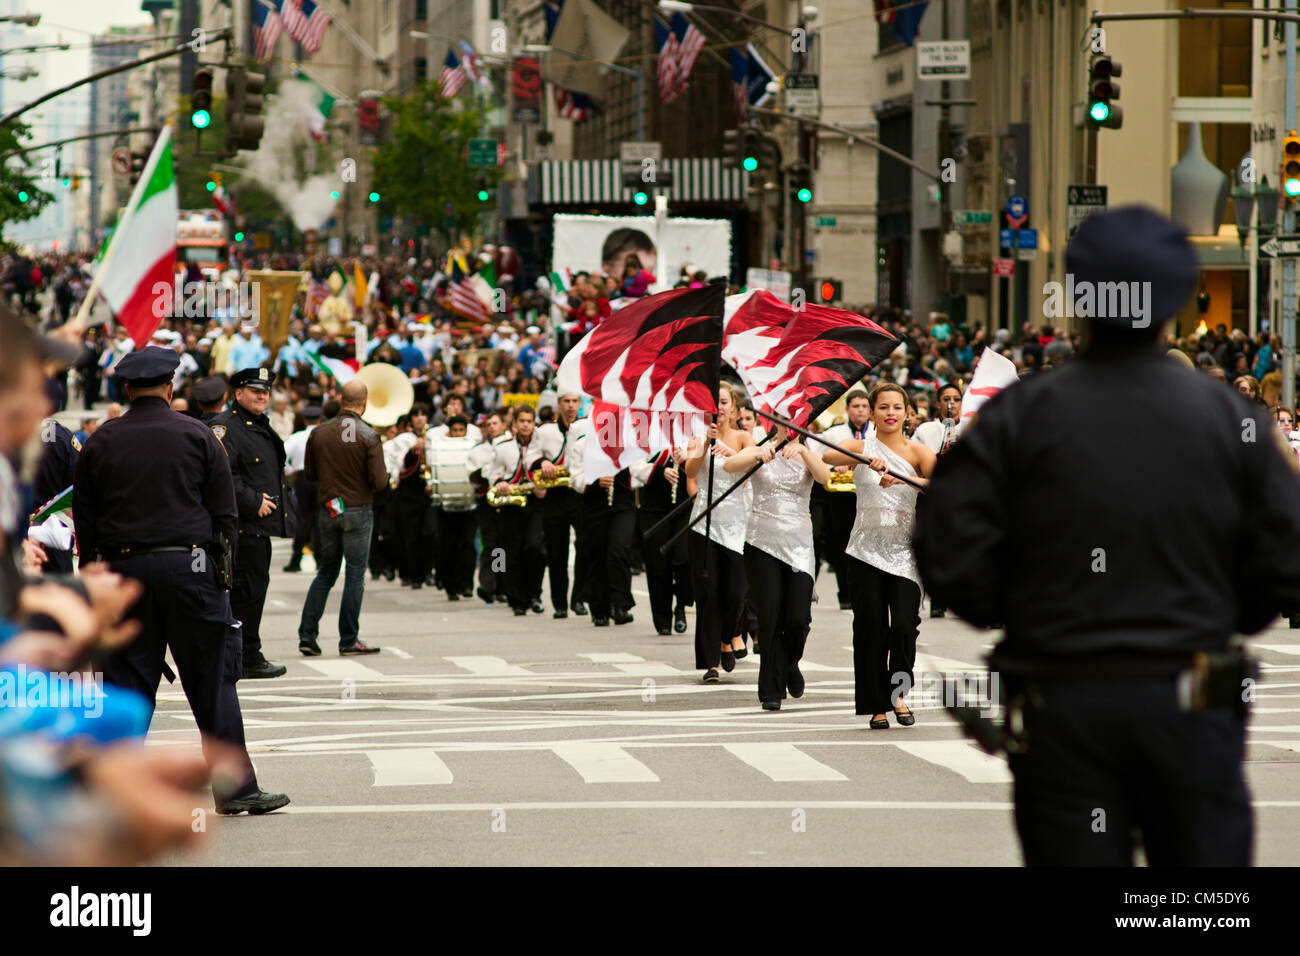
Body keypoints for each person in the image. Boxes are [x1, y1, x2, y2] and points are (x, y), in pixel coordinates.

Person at [914, 205, 1300, 866]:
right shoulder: (1229, 420)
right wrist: (1211, 612)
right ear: (1179, 302)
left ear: (1080, 301)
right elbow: (1286, 557)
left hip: (1063, 706)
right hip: (1193, 699)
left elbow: (948, 552)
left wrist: (1029, 610)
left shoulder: (1022, 416)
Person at [72, 346, 289, 815]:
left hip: (123, 572)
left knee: (127, 686)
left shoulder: (101, 441)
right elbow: (225, 514)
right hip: (191, 569)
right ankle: (235, 790)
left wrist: (94, 583)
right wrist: (222, 575)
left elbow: (85, 524)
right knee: (213, 683)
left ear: (127, 390)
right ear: (171, 389)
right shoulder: (197, 434)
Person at [824, 383, 934, 728]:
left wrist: (905, 480)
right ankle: (877, 705)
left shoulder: (918, 453)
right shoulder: (859, 446)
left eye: (897, 407)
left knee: (904, 626)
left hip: (906, 554)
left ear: (907, 413)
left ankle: (897, 692)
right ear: (871, 412)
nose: (890, 413)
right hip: (865, 551)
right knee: (870, 629)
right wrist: (863, 459)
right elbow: (830, 455)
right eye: (883, 407)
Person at [724, 423, 831, 710]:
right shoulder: (761, 445)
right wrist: (757, 455)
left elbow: (825, 478)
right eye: (785, 418)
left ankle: (790, 663)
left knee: (797, 618)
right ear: (774, 420)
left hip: (799, 545)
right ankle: (770, 690)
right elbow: (729, 466)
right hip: (761, 543)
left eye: (798, 418)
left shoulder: (810, 449)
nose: (791, 424)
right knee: (769, 616)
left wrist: (806, 453)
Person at [209, 367, 295, 679]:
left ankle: (244, 652)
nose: (262, 396)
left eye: (265, 391)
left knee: (253, 589)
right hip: (241, 526)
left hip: (257, 528)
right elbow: (223, 474)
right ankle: (246, 654)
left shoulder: (256, 424)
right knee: (247, 591)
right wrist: (253, 500)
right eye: (254, 390)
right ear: (238, 393)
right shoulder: (227, 427)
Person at [297, 379, 387, 656]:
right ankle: (349, 639)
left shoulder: (319, 432)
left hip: (329, 508)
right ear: (365, 401)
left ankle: (307, 635)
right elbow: (380, 481)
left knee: (326, 572)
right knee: (355, 574)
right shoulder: (369, 435)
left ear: (340, 400)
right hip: (358, 509)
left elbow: (310, 474)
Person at [684, 384, 754, 682]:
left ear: (734, 408)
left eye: (724, 402)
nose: (719, 408)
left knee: (736, 593)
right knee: (708, 594)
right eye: (713, 403)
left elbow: (753, 463)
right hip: (704, 524)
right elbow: (690, 472)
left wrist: (730, 453)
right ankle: (710, 660)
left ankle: (729, 637)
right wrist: (704, 446)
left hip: (738, 526)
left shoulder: (743, 437)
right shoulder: (698, 437)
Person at [488, 404, 547, 616]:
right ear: (515, 424)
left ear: (534, 424)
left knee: (534, 548)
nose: (525, 425)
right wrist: (500, 483)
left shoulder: (541, 448)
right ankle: (516, 599)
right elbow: (493, 474)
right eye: (521, 421)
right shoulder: (503, 446)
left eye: (529, 421)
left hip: (534, 502)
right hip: (510, 503)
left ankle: (535, 594)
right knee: (510, 552)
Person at [532, 391, 586, 618]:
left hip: (579, 494)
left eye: (574, 401)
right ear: (559, 404)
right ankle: (559, 603)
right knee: (556, 551)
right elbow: (531, 455)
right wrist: (543, 461)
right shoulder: (545, 431)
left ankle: (580, 598)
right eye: (566, 402)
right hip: (555, 495)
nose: (571, 406)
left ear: (580, 403)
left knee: (585, 548)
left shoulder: (586, 427)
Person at [819, 390, 873, 610]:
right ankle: (845, 593)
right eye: (855, 406)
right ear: (847, 409)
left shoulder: (878, 432)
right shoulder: (833, 433)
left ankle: (865, 590)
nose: (859, 410)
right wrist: (835, 465)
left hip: (869, 494)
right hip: (841, 494)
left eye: (863, 406)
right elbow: (820, 458)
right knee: (842, 542)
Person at [632, 446, 692, 635]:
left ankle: (681, 605)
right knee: (657, 564)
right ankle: (662, 617)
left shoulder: (691, 429)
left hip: (684, 506)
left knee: (685, 558)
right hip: (654, 508)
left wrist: (687, 460)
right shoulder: (645, 432)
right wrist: (659, 471)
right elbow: (633, 466)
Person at [468, 410, 508, 604]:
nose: (492, 427)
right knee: (490, 543)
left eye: (495, 423)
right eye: (488, 424)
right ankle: (488, 585)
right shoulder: (478, 450)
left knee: (503, 544)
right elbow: (473, 477)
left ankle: (501, 585)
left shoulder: (510, 446)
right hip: (487, 502)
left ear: (503, 425)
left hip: (507, 501)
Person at [281, 403, 325, 572]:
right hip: (321, 479)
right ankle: (320, 559)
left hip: (303, 478)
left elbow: (282, 457)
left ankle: (296, 559)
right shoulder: (325, 436)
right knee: (319, 519)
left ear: (305, 419)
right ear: (319, 419)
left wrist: (291, 470)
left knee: (302, 519)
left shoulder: (297, 437)